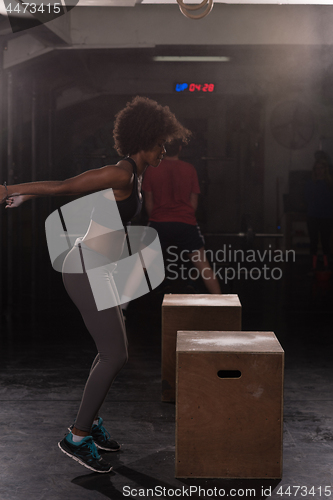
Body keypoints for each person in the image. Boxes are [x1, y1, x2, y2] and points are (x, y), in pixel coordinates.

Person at [1, 96, 191, 473]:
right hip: (84, 268)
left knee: (111, 352)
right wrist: (11, 190)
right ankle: (76, 435)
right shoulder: (121, 173)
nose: (164, 150)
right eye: (160, 143)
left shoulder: (135, 176)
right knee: (116, 355)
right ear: (144, 139)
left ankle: (91, 420)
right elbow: (63, 186)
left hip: (99, 268)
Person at [142, 139, 221, 294]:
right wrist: (182, 217)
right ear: (180, 148)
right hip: (186, 223)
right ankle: (225, 309)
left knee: (139, 266)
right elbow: (193, 203)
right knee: (205, 268)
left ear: (162, 149)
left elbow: (149, 203)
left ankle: (119, 310)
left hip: (159, 223)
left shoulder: (152, 169)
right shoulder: (190, 169)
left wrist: (159, 219)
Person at [305, 158, 333, 271]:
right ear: (314, 170)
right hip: (313, 216)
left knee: (326, 242)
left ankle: (326, 266)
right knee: (314, 242)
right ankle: (313, 266)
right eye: (317, 168)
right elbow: (306, 199)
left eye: (321, 168)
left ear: (325, 169)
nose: (319, 171)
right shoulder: (310, 183)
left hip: (327, 217)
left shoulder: (330, 184)